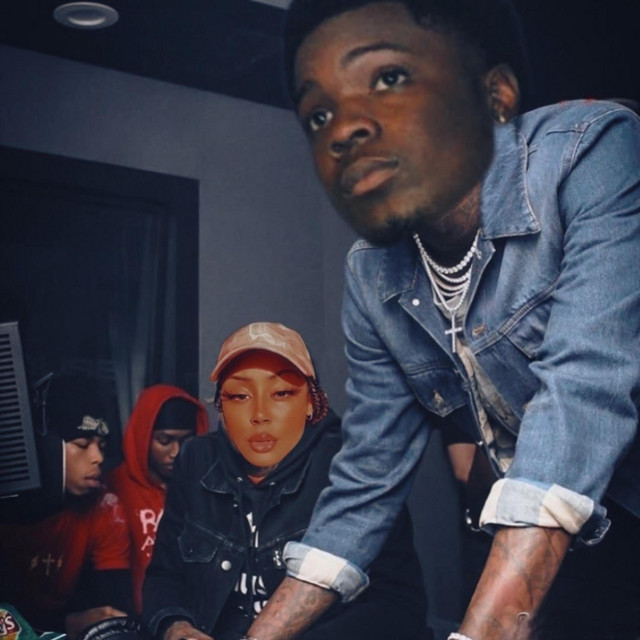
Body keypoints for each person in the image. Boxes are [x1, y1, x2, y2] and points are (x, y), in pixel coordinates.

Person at [238, 2, 640, 640]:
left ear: (495, 95)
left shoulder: (592, 152)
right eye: (318, 114)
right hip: (564, 544)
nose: (342, 130)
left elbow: (583, 391)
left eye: (389, 78)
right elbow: (367, 478)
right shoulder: (371, 274)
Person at [142, 322, 430, 640]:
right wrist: (176, 627)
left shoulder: (351, 469)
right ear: (221, 407)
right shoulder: (196, 461)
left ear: (311, 403)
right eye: (239, 396)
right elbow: (164, 577)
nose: (259, 414)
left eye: (281, 393)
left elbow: (399, 607)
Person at [0, 374, 132, 638]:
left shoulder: (105, 508)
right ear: (47, 447)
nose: (97, 457)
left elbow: (112, 609)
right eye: (82, 445)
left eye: (102, 446)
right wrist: (68, 623)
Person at [107, 385, 209, 615]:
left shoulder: (204, 489)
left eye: (186, 441)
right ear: (144, 437)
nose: (176, 452)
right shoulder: (112, 490)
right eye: (164, 440)